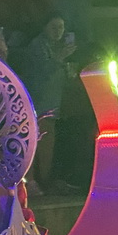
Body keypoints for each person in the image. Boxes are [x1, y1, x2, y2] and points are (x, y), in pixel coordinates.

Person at [18, 14, 75, 193]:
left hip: (53, 103)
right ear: (44, 27)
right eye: (54, 27)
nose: (58, 31)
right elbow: (40, 73)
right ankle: (33, 181)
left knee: (48, 145)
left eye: (61, 27)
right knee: (36, 143)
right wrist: (59, 58)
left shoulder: (55, 46)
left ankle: (47, 180)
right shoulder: (37, 46)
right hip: (38, 103)